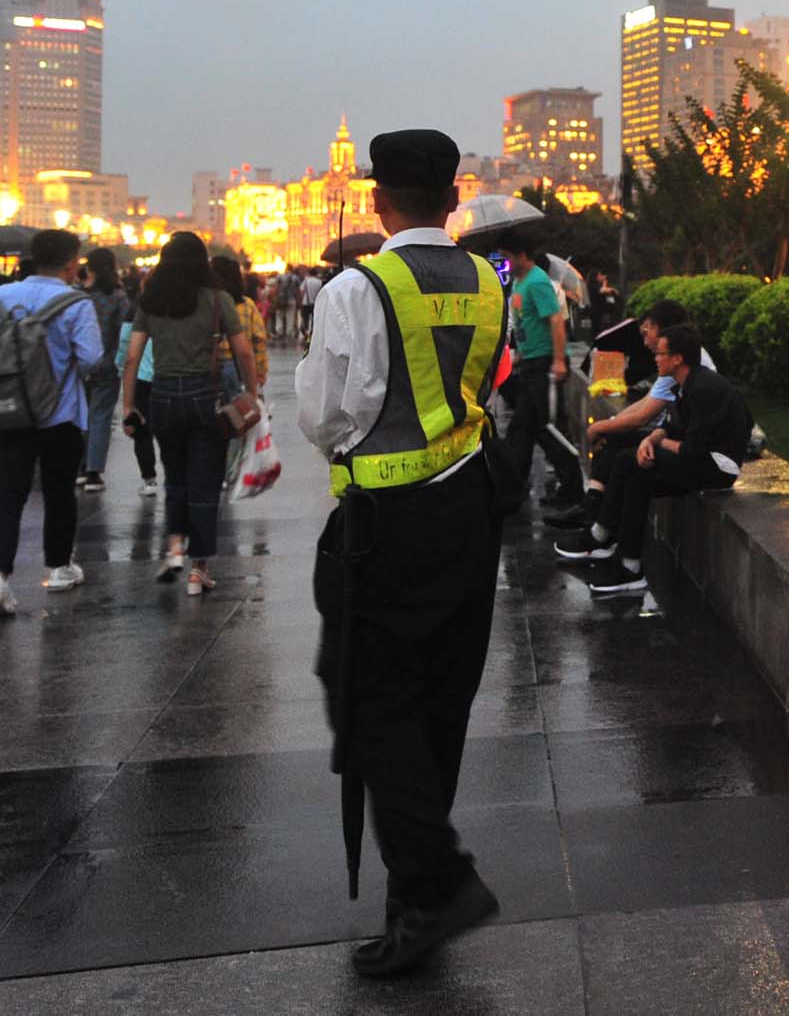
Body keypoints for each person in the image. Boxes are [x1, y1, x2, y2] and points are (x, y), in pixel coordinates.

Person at [297, 128, 519, 977]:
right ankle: (413, 902)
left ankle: (435, 881)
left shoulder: (359, 287)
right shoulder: (487, 281)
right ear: (454, 197)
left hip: (381, 525)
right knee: (440, 701)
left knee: (368, 699)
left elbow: (327, 418)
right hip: (469, 515)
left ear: (380, 200)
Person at [0, 227, 102, 616]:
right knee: (58, 491)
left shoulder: (1, 296)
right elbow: (90, 358)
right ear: (72, 262)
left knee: (9, 493)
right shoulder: (76, 303)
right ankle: (58, 567)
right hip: (61, 414)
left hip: (8, 413)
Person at [557, 323, 749, 599]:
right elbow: (673, 427)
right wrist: (651, 439)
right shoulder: (687, 382)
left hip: (717, 468)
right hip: (699, 459)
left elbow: (691, 451)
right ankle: (629, 565)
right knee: (638, 479)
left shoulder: (704, 388)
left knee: (626, 461)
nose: (655, 358)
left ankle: (601, 534)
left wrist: (655, 442)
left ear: (677, 358)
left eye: (660, 354)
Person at [122, 232, 256, 596]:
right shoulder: (217, 300)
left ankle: (175, 547)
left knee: (175, 477)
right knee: (205, 482)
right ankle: (199, 570)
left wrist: (128, 405)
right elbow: (243, 351)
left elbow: (132, 356)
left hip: (163, 396)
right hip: (204, 396)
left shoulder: (152, 300)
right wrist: (252, 393)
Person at [545, 299, 713, 533]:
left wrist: (601, 428)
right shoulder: (679, 357)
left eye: (647, 332)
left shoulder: (682, 361)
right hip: (679, 437)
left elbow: (643, 416)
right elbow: (647, 402)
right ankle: (596, 512)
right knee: (620, 444)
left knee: (625, 455)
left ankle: (601, 528)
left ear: (663, 331)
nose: (645, 344)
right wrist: (610, 424)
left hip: (692, 447)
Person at [492, 228, 580, 510]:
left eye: (507, 257)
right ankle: (515, 487)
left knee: (543, 428)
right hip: (530, 361)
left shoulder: (538, 282)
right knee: (525, 429)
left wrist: (557, 360)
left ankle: (571, 486)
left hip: (543, 363)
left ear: (521, 255)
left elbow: (555, 320)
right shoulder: (519, 283)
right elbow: (525, 325)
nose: (505, 263)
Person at [77, 247, 133, 494]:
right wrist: (118, 361)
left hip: (78, 364)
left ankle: (79, 466)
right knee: (100, 417)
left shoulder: (76, 295)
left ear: (88, 268)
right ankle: (93, 472)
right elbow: (123, 335)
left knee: (79, 415)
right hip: (107, 365)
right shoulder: (118, 298)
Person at [212, 253, 270, 397]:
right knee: (239, 415)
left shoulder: (206, 304)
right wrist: (260, 371)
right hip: (238, 368)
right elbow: (259, 339)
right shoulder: (247, 305)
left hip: (210, 366)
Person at [117, 314, 159, 496]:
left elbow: (125, 351)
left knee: (142, 430)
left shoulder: (133, 316)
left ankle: (149, 478)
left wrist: (121, 371)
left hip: (141, 378)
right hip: (166, 376)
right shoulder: (173, 311)